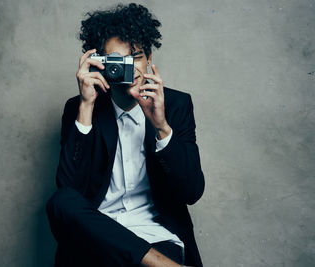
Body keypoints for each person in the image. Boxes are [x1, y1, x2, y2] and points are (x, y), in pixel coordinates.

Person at [46, 3, 205, 267]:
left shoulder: (176, 105)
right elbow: (69, 193)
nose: (130, 67)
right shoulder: (80, 107)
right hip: (98, 237)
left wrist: (162, 127)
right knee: (61, 201)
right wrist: (86, 106)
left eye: (137, 56)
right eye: (118, 60)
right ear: (100, 64)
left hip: (156, 233)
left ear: (150, 58)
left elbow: (192, 191)